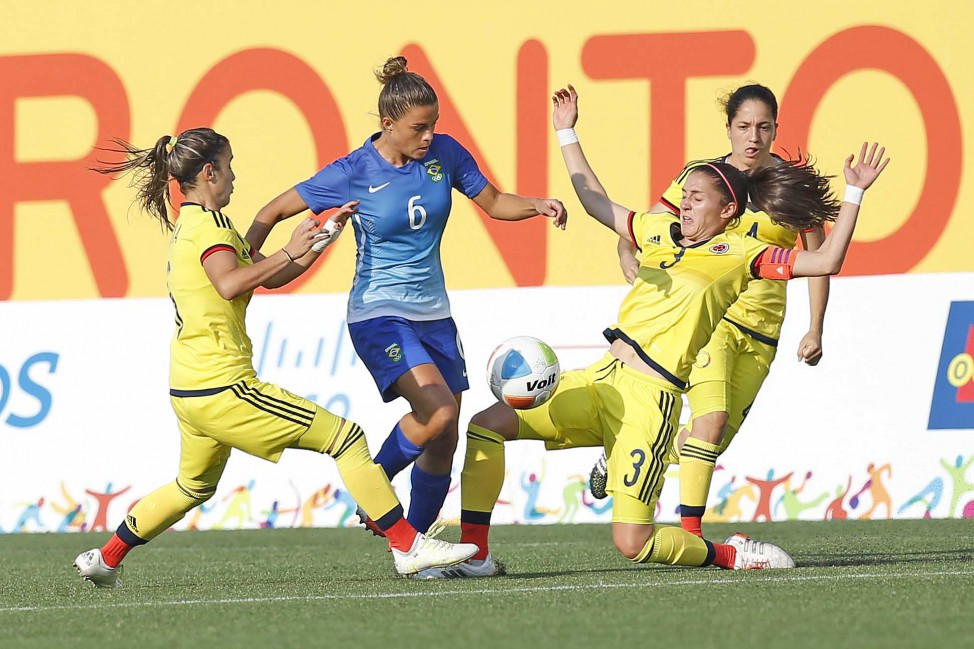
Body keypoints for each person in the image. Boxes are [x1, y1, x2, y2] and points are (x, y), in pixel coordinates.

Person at [413, 85, 888, 578]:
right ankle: (478, 556)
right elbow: (595, 202)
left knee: (632, 542)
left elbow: (827, 259)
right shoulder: (658, 232)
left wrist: (854, 193)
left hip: (650, 402)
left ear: (727, 211)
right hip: (603, 379)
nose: (684, 204)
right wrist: (566, 130)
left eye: (697, 199)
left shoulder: (746, 257)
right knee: (486, 424)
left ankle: (732, 554)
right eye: (685, 196)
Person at [74, 127, 477, 588]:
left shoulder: (204, 226)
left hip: (190, 388)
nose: (233, 177)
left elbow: (267, 276)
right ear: (209, 173)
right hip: (222, 385)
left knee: (192, 487)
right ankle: (408, 544)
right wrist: (288, 248)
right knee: (345, 439)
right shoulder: (207, 228)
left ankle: (106, 558)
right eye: (228, 167)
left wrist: (319, 239)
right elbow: (230, 282)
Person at [246, 57, 567, 536]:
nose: (428, 136)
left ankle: (411, 545)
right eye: (419, 128)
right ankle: (374, 483)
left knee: (445, 436)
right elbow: (271, 211)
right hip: (379, 312)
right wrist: (251, 263)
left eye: (434, 125)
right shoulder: (353, 171)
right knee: (436, 412)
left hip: (435, 315)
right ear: (388, 124)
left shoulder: (445, 154)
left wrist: (536, 205)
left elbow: (496, 203)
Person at [589, 84, 830, 539]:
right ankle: (691, 536)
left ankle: (625, 447)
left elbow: (819, 261)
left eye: (763, 127)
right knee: (710, 421)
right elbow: (651, 219)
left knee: (711, 440)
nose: (753, 137)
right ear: (729, 129)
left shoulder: (789, 188)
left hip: (762, 332)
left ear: (777, 128)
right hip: (711, 322)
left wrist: (815, 327)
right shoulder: (706, 179)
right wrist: (626, 250)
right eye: (743, 127)